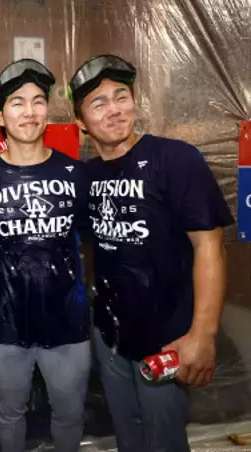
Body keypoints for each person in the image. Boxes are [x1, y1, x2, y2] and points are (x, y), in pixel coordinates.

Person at [68, 54, 234, 452]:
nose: (114, 110)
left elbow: (209, 246)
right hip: (110, 338)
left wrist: (203, 334)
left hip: (166, 340)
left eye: (121, 97)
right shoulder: (87, 176)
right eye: (98, 103)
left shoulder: (175, 159)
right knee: (129, 438)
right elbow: (95, 249)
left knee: (164, 441)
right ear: (80, 122)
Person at [0, 59, 91, 452]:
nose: (29, 111)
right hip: (8, 323)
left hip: (68, 322)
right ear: (0, 115)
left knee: (69, 414)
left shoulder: (76, 174)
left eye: (38, 101)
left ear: (48, 112)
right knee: (10, 413)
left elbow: (92, 243)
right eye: (17, 102)